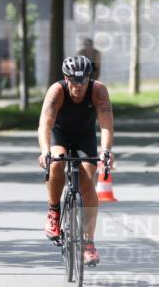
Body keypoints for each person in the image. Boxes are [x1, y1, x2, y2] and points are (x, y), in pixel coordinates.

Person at [38, 55, 115, 267]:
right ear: (66, 77)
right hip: (59, 134)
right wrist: (45, 150)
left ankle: (88, 243)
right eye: (74, 80)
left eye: (84, 80)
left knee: (88, 179)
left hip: (84, 136)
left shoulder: (98, 91)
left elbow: (106, 126)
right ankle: (54, 211)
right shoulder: (57, 91)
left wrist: (106, 150)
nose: (79, 86)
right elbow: (45, 124)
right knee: (57, 162)